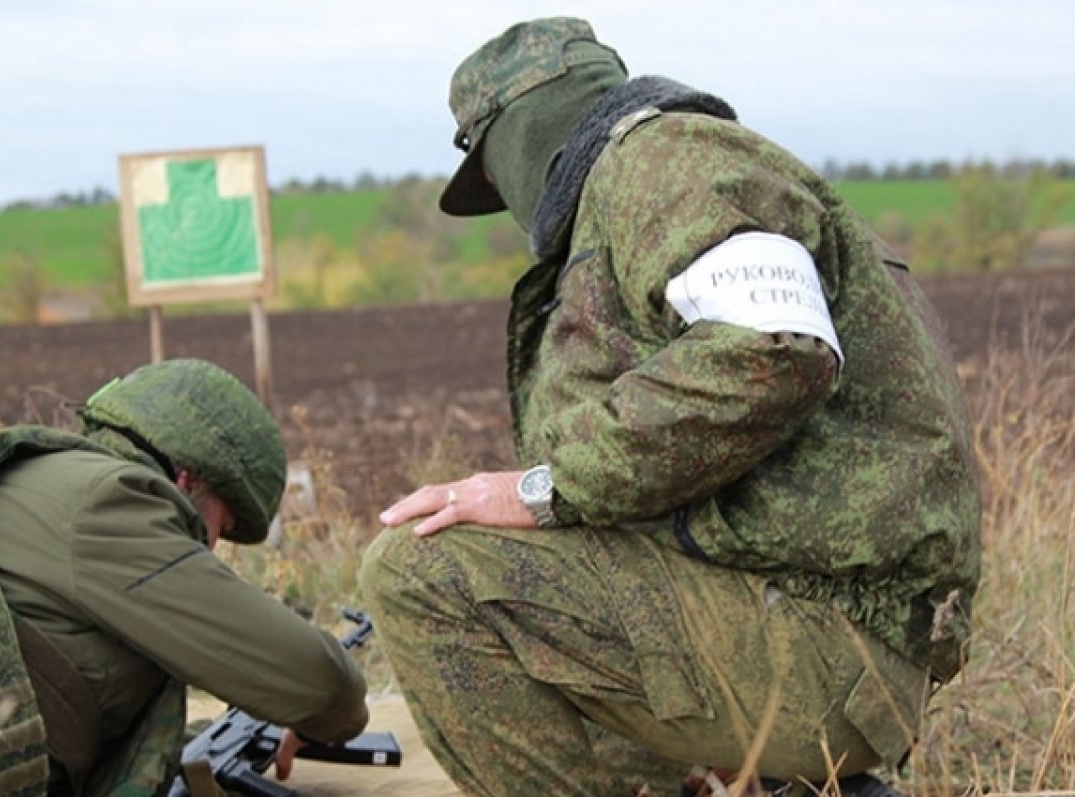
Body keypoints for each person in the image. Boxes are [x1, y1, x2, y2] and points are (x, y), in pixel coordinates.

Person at [360, 16, 981, 797]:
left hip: (827, 642)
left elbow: (773, 345)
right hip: (812, 630)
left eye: (490, 171)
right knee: (546, 620)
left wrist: (537, 489)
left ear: (518, 137)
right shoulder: (648, 183)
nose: (503, 199)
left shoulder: (666, 161)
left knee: (421, 568)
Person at [0, 358, 368, 797]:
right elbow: (321, 685)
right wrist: (314, 713)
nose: (213, 546)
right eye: (225, 525)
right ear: (189, 479)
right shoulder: (112, 502)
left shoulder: (42, 480)